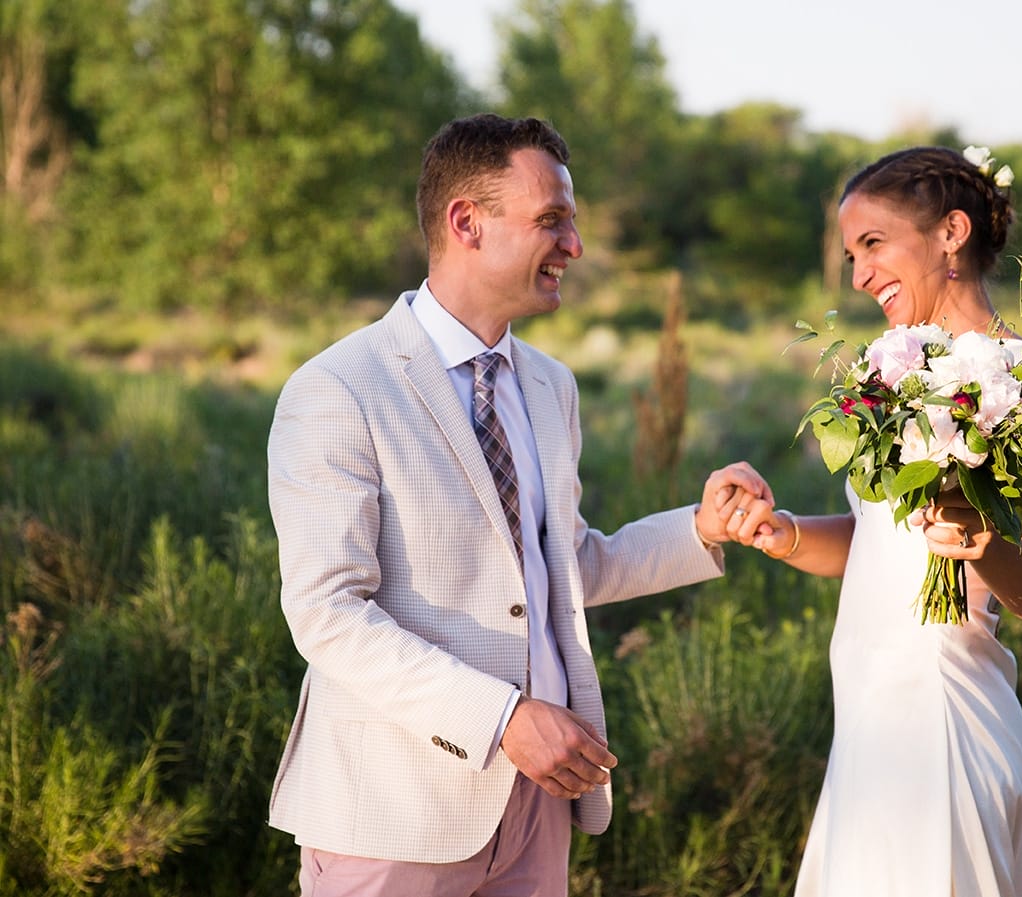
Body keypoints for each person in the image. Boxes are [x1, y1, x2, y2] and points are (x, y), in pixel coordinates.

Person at [265, 113, 770, 896]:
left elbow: (558, 566)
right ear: (467, 222)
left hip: (536, 810)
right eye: (552, 221)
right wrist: (502, 718)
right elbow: (327, 612)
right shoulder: (337, 390)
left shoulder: (548, 385)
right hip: (393, 813)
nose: (573, 245)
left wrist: (699, 528)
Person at [721, 146, 1022, 896]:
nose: (857, 276)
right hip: (864, 715)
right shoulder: (884, 373)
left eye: (873, 245)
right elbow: (877, 546)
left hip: (944, 714)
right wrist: (782, 531)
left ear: (951, 231)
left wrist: (987, 549)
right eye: (851, 253)